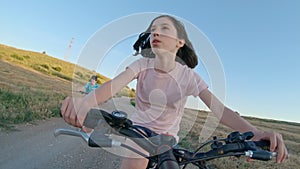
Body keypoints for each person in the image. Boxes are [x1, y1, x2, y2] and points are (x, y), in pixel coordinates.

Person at [61, 15, 288, 169]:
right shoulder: (143, 65)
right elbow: (112, 86)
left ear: (180, 42)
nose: (155, 33)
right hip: (138, 134)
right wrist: (86, 102)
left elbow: (219, 110)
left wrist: (254, 133)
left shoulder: (188, 76)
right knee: (136, 160)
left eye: (164, 28)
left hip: (169, 140)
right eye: (152, 30)